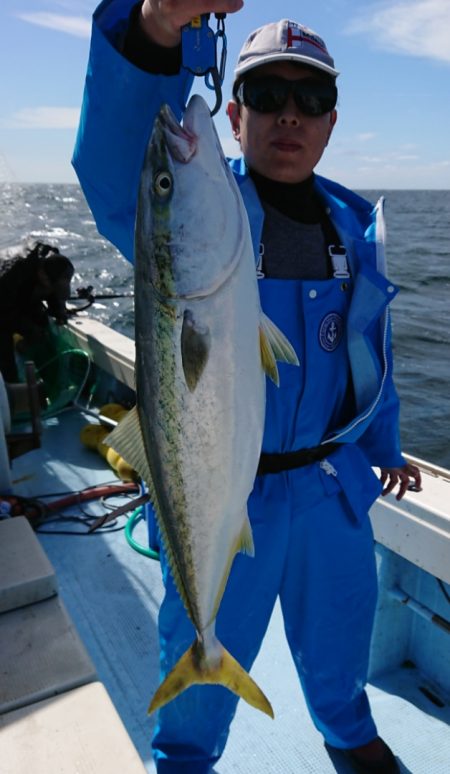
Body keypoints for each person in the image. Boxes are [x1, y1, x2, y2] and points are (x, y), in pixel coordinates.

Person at [73, 2, 422, 772]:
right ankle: (185, 757)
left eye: (311, 98)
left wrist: (384, 444)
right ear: (234, 117)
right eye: (265, 96)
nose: (288, 115)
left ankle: (349, 732)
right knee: (198, 659)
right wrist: (154, 29)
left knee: (341, 634)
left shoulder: (353, 226)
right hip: (223, 485)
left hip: (330, 486)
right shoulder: (199, 202)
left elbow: (369, 352)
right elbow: (116, 176)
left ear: (331, 123)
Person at [0, 241, 74, 383]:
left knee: (42, 325)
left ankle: (44, 377)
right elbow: (3, 312)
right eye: (50, 287)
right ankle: (11, 385)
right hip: (3, 299)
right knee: (4, 346)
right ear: (42, 275)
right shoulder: (13, 272)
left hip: (22, 292)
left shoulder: (55, 263)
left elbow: (54, 291)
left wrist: (59, 310)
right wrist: (29, 328)